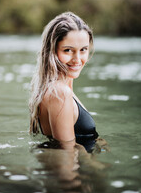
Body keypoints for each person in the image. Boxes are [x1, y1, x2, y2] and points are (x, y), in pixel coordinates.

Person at [29, 12, 99, 153]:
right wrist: (92, 168)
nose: (77, 59)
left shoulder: (61, 87)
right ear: (52, 51)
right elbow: (66, 153)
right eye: (68, 50)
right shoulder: (59, 93)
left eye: (83, 50)